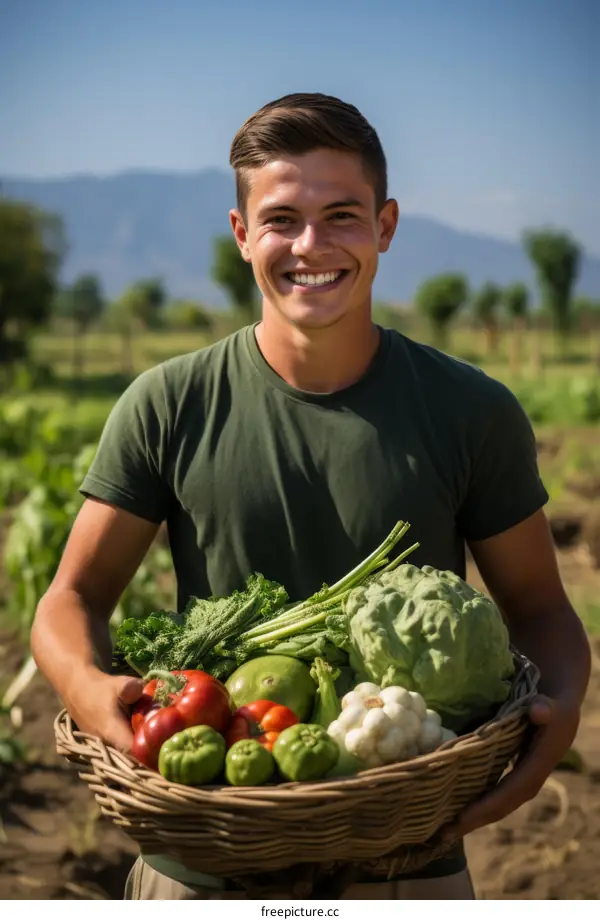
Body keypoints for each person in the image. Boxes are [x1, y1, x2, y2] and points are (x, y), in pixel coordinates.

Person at [31, 93, 591, 901]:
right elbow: (71, 597)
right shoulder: (167, 404)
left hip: (406, 861)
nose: (310, 246)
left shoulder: (471, 411)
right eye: (282, 219)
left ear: (386, 226)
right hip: (204, 856)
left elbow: (541, 608)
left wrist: (563, 709)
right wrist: (89, 691)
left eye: (341, 216)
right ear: (241, 235)